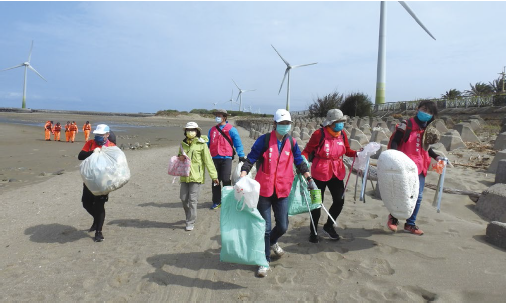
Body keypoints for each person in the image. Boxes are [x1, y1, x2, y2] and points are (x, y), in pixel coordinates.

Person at [240, 109, 316, 278]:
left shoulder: (292, 142)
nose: (284, 127)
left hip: (282, 190)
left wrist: (309, 178)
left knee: (283, 225)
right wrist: (243, 175)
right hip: (264, 190)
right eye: (281, 124)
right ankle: (263, 260)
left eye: (287, 124)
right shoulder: (264, 140)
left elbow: (299, 161)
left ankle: (273, 242)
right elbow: (251, 159)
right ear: (274, 124)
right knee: (265, 228)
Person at [387, 100, 444, 235]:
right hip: (404, 166)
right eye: (424, 109)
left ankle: (410, 224)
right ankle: (393, 218)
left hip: (421, 167)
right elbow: (395, 141)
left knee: (418, 197)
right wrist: (394, 156)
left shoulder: (428, 130)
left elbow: (426, 148)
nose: (426, 113)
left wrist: (436, 157)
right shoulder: (405, 125)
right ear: (418, 109)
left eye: (429, 112)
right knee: (402, 193)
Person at [301, 109, 359, 244]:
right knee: (316, 204)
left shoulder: (343, 134)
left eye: (342, 122)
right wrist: (302, 165)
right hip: (318, 173)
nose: (341, 124)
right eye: (338, 122)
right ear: (331, 122)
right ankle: (313, 231)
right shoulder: (318, 134)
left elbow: (348, 151)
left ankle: (328, 226)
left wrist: (359, 153)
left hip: (336, 172)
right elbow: (306, 151)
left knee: (339, 201)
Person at [78, 124, 116, 242]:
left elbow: (116, 162)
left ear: (107, 135)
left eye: (101, 135)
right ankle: (96, 219)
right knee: (86, 203)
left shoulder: (112, 146)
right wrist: (93, 152)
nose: (98, 137)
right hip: (89, 180)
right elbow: (80, 156)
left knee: (99, 206)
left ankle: (98, 232)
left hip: (103, 181)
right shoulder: (90, 143)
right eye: (97, 135)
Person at [178, 122, 219, 231]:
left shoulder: (202, 144)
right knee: (183, 198)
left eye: (192, 130)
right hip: (184, 175)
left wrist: (214, 176)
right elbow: (179, 156)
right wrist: (180, 157)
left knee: (193, 200)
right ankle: (189, 216)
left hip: (196, 177)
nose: (190, 132)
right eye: (188, 130)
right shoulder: (183, 144)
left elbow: (208, 161)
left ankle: (190, 222)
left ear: (197, 131)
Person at [207, 109, 246, 210]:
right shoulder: (212, 130)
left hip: (226, 158)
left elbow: (238, 143)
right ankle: (216, 201)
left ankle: (228, 200)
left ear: (224, 117)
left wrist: (241, 155)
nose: (217, 117)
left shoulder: (231, 129)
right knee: (215, 180)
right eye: (216, 115)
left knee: (225, 179)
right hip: (214, 158)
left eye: (219, 115)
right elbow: (207, 143)